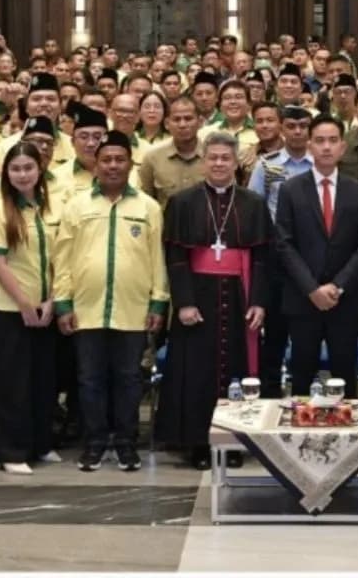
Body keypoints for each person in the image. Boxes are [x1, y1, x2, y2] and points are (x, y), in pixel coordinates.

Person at [54, 131, 168, 473]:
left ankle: (126, 443)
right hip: (86, 308)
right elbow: (63, 257)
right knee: (89, 379)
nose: (113, 165)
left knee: (130, 378)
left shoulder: (147, 207)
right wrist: (62, 302)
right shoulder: (77, 205)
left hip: (132, 309)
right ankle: (94, 442)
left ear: (130, 163)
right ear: (96, 164)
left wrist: (158, 301)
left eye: (120, 159)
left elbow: (157, 256)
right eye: (106, 159)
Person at [156, 132, 270, 470]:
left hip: (238, 296)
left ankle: (234, 441)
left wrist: (259, 301)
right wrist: (185, 302)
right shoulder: (183, 202)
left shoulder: (253, 203)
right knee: (197, 372)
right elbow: (175, 256)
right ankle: (198, 443)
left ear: (236, 163)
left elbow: (263, 257)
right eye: (213, 157)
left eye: (226, 158)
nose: (219, 163)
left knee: (236, 368)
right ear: (204, 161)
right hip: (198, 295)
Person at [275, 116, 358, 398]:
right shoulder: (291, 189)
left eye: (333, 141)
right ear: (309, 146)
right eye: (319, 141)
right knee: (302, 377)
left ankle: (351, 439)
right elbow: (284, 244)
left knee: (345, 377)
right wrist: (312, 289)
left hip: (344, 300)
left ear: (343, 147)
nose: (326, 147)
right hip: (302, 299)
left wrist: (337, 285)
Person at [0, 142, 61, 475]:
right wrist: (25, 304)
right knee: (10, 382)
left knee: (43, 380)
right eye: (15, 169)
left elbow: (64, 258)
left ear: (39, 169)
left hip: (47, 307)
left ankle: (40, 443)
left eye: (28, 167)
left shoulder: (53, 207)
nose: (22, 174)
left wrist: (51, 301)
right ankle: (10, 451)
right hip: (9, 309)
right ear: (6, 173)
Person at [247, 104, 313, 396]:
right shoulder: (267, 165)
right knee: (274, 334)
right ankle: (270, 395)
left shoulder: (320, 165)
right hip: (275, 261)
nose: (297, 131)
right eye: (291, 126)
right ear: (282, 129)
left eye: (303, 126)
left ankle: (305, 396)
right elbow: (253, 211)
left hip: (311, 259)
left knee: (306, 334)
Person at [138, 96, 204, 209]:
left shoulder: (214, 157)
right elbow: (145, 202)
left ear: (200, 122)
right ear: (167, 124)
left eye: (188, 119)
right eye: (176, 119)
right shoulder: (153, 157)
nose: (182, 125)